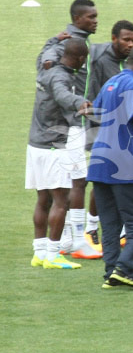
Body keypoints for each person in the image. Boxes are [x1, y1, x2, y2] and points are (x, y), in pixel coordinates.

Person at [37, 0, 99, 260]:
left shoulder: (73, 40)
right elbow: (46, 66)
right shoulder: (68, 42)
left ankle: (66, 239)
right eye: (91, 17)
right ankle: (73, 240)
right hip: (69, 124)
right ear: (76, 19)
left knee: (66, 184)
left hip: (74, 123)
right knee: (74, 181)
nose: (95, 20)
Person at [87, 46, 133, 289]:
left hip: (99, 160)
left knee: (110, 223)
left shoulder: (111, 82)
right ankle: (124, 269)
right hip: (124, 163)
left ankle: (111, 272)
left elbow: (94, 110)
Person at [27, 38, 91, 270]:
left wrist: (55, 39)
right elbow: (63, 96)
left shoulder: (45, 66)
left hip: (35, 145)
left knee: (43, 200)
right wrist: (81, 102)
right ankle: (53, 255)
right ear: (81, 60)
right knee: (61, 201)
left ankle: (39, 251)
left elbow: (44, 50)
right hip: (54, 147)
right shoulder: (61, 77)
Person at [78, 19, 133, 255]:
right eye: (126, 39)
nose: (130, 44)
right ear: (114, 39)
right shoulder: (102, 61)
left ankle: (115, 229)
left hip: (122, 132)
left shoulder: (129, 64)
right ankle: (91, 227)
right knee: (103, 178)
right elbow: (92, 97)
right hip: (102, 129)